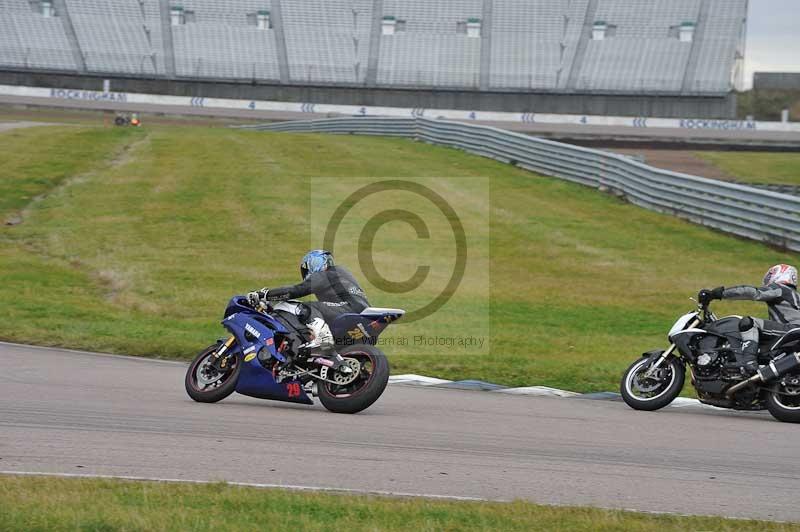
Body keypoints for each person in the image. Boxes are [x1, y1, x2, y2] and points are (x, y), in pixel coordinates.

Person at [247, 250, 369, 353]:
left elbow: (296, 290)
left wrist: (266, 295)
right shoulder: (342, 273)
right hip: (363, 321)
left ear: (314, 263)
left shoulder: (326, 274)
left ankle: (323, 338)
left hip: (348, 311)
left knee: (304, 307)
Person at [699, 264, 800, 376]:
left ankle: (749, 362)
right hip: (792, 332)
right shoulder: (793, 296)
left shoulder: (781, 289)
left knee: (749, 323)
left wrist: (718, 294)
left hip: (793, 329)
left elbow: (752, 292)